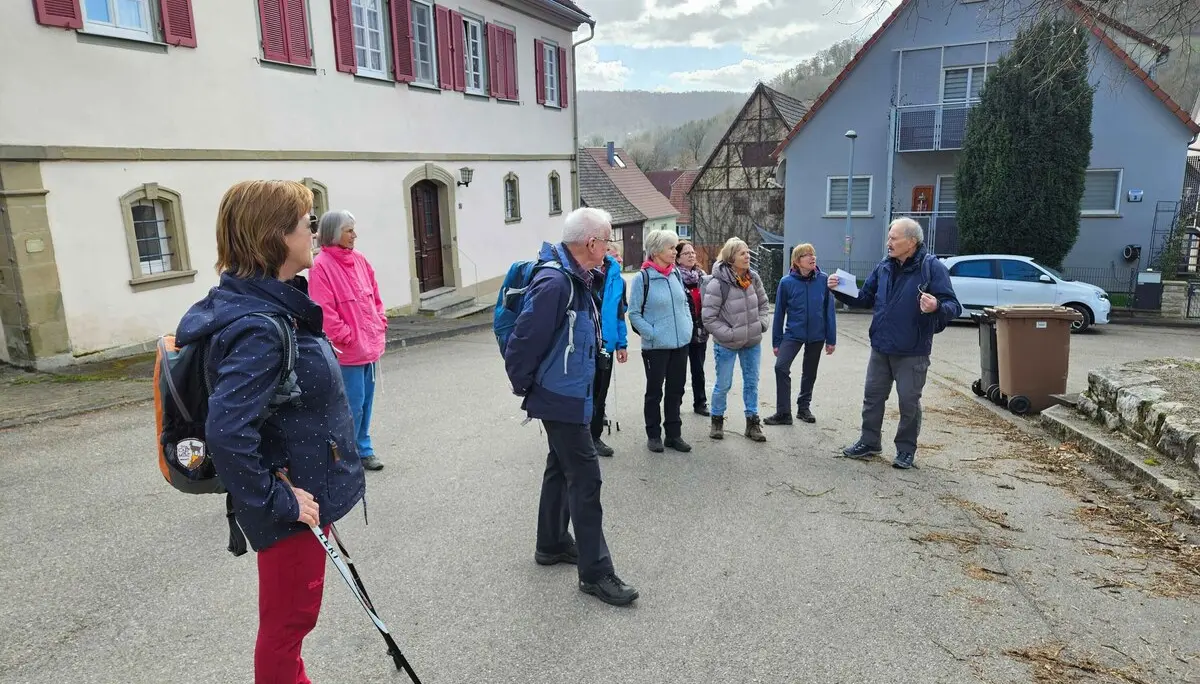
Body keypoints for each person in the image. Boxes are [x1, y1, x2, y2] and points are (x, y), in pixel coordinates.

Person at [175, 180, 365, 681]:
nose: (313, 232)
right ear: (277, 236)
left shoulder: (269, 305)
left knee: (288, 623)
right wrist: (281, 501)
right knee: (287, 627)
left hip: (301, 487)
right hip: (290, 503)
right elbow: (228, 430)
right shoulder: (260, 324)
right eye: (306, 224)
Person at [503, 206, 639, 607]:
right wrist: (530, 388)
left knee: (559, 467)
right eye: (608, 239)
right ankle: (596, 574)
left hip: (567, 391)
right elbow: (523, 343)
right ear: (591, 243)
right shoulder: (555, 283)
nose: (611, 247)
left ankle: (552, 543)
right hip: (558, 395)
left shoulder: (577, 277)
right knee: (586, 478)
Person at [828, 217, 962, 470]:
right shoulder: (884, 266)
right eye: (889, 237)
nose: (888, 242)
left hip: (912, 350)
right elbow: (865, 297)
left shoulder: (931, 267)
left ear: (911, 242)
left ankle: (905, 450)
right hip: (881, 346)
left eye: (893, 238)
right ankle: (869, 442)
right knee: (872, 398)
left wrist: (936, 306)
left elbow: (953, 306)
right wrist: (839, 289)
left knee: (908, 403)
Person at [308, 210, 388, 471]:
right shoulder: (321, 266)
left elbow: (375, 296)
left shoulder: (361, 260)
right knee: (350, 406)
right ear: (333, 232)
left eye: (353, 229)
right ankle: (346, 454)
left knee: (365, 403)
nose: (355, 235)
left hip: (370, 347)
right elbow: (324, 311)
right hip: (348, 351)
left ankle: (364, 449)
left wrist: (380, 321)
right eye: (349, 230)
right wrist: (347, 337)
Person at [628, 229, 695, 454]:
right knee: (655, 392)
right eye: (670, 248)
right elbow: (634, 314)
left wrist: (687, 326)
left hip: (680, 344)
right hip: (656, 347)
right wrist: (653, 333)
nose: (674, 252)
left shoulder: (675, 273)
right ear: (656, 251)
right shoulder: (642, 278)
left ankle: (674, 434)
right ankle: (654, 434)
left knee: (676, 390)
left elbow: (684, 303)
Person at [702, 237, 770, 442]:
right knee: (723, 384)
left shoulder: (753, 278)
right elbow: (709, 318)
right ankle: (717, 420)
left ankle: (752, 423)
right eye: (743, 253)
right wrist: (729, 334)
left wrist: (762, 324)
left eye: (748, 252)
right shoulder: (717, 283)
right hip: (727, 344)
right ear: (731, 258)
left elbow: (764, 304)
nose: (748, 256)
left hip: (752, 342)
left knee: (751, 382)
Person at [765, 243, 837, 426]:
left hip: (817, 335)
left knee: (809, 372)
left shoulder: (823, 279)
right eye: (807, 255)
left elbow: (829, 310)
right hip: (793, 333)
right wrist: (776, 342)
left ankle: (803, 408)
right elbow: (779, 313)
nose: (812, 258)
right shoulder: (786, 282)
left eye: (813, 254)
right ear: (797, 261)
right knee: (780, 367)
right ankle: (783, 413)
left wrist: (831, 339)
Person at [591, 243, 629, 458]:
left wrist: (621, 344)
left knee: (601, 392)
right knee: (586, 391)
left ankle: (594, 437)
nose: (619, 260)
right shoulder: (587, 275)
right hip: (588, 344)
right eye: (615, 255)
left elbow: (619, 314)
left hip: (606, 345)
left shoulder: (618, 280)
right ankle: (581, 436)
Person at [675, 240, 711, 416]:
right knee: (679, 371)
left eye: (693, 253)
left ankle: (700, 402)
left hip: (700, 330)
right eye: (686, 253)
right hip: (682, 330)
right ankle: (676, 402)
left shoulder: (703, 277)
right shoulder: (674, 277)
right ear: (678, 258)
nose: (691, 256)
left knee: (698, 369)